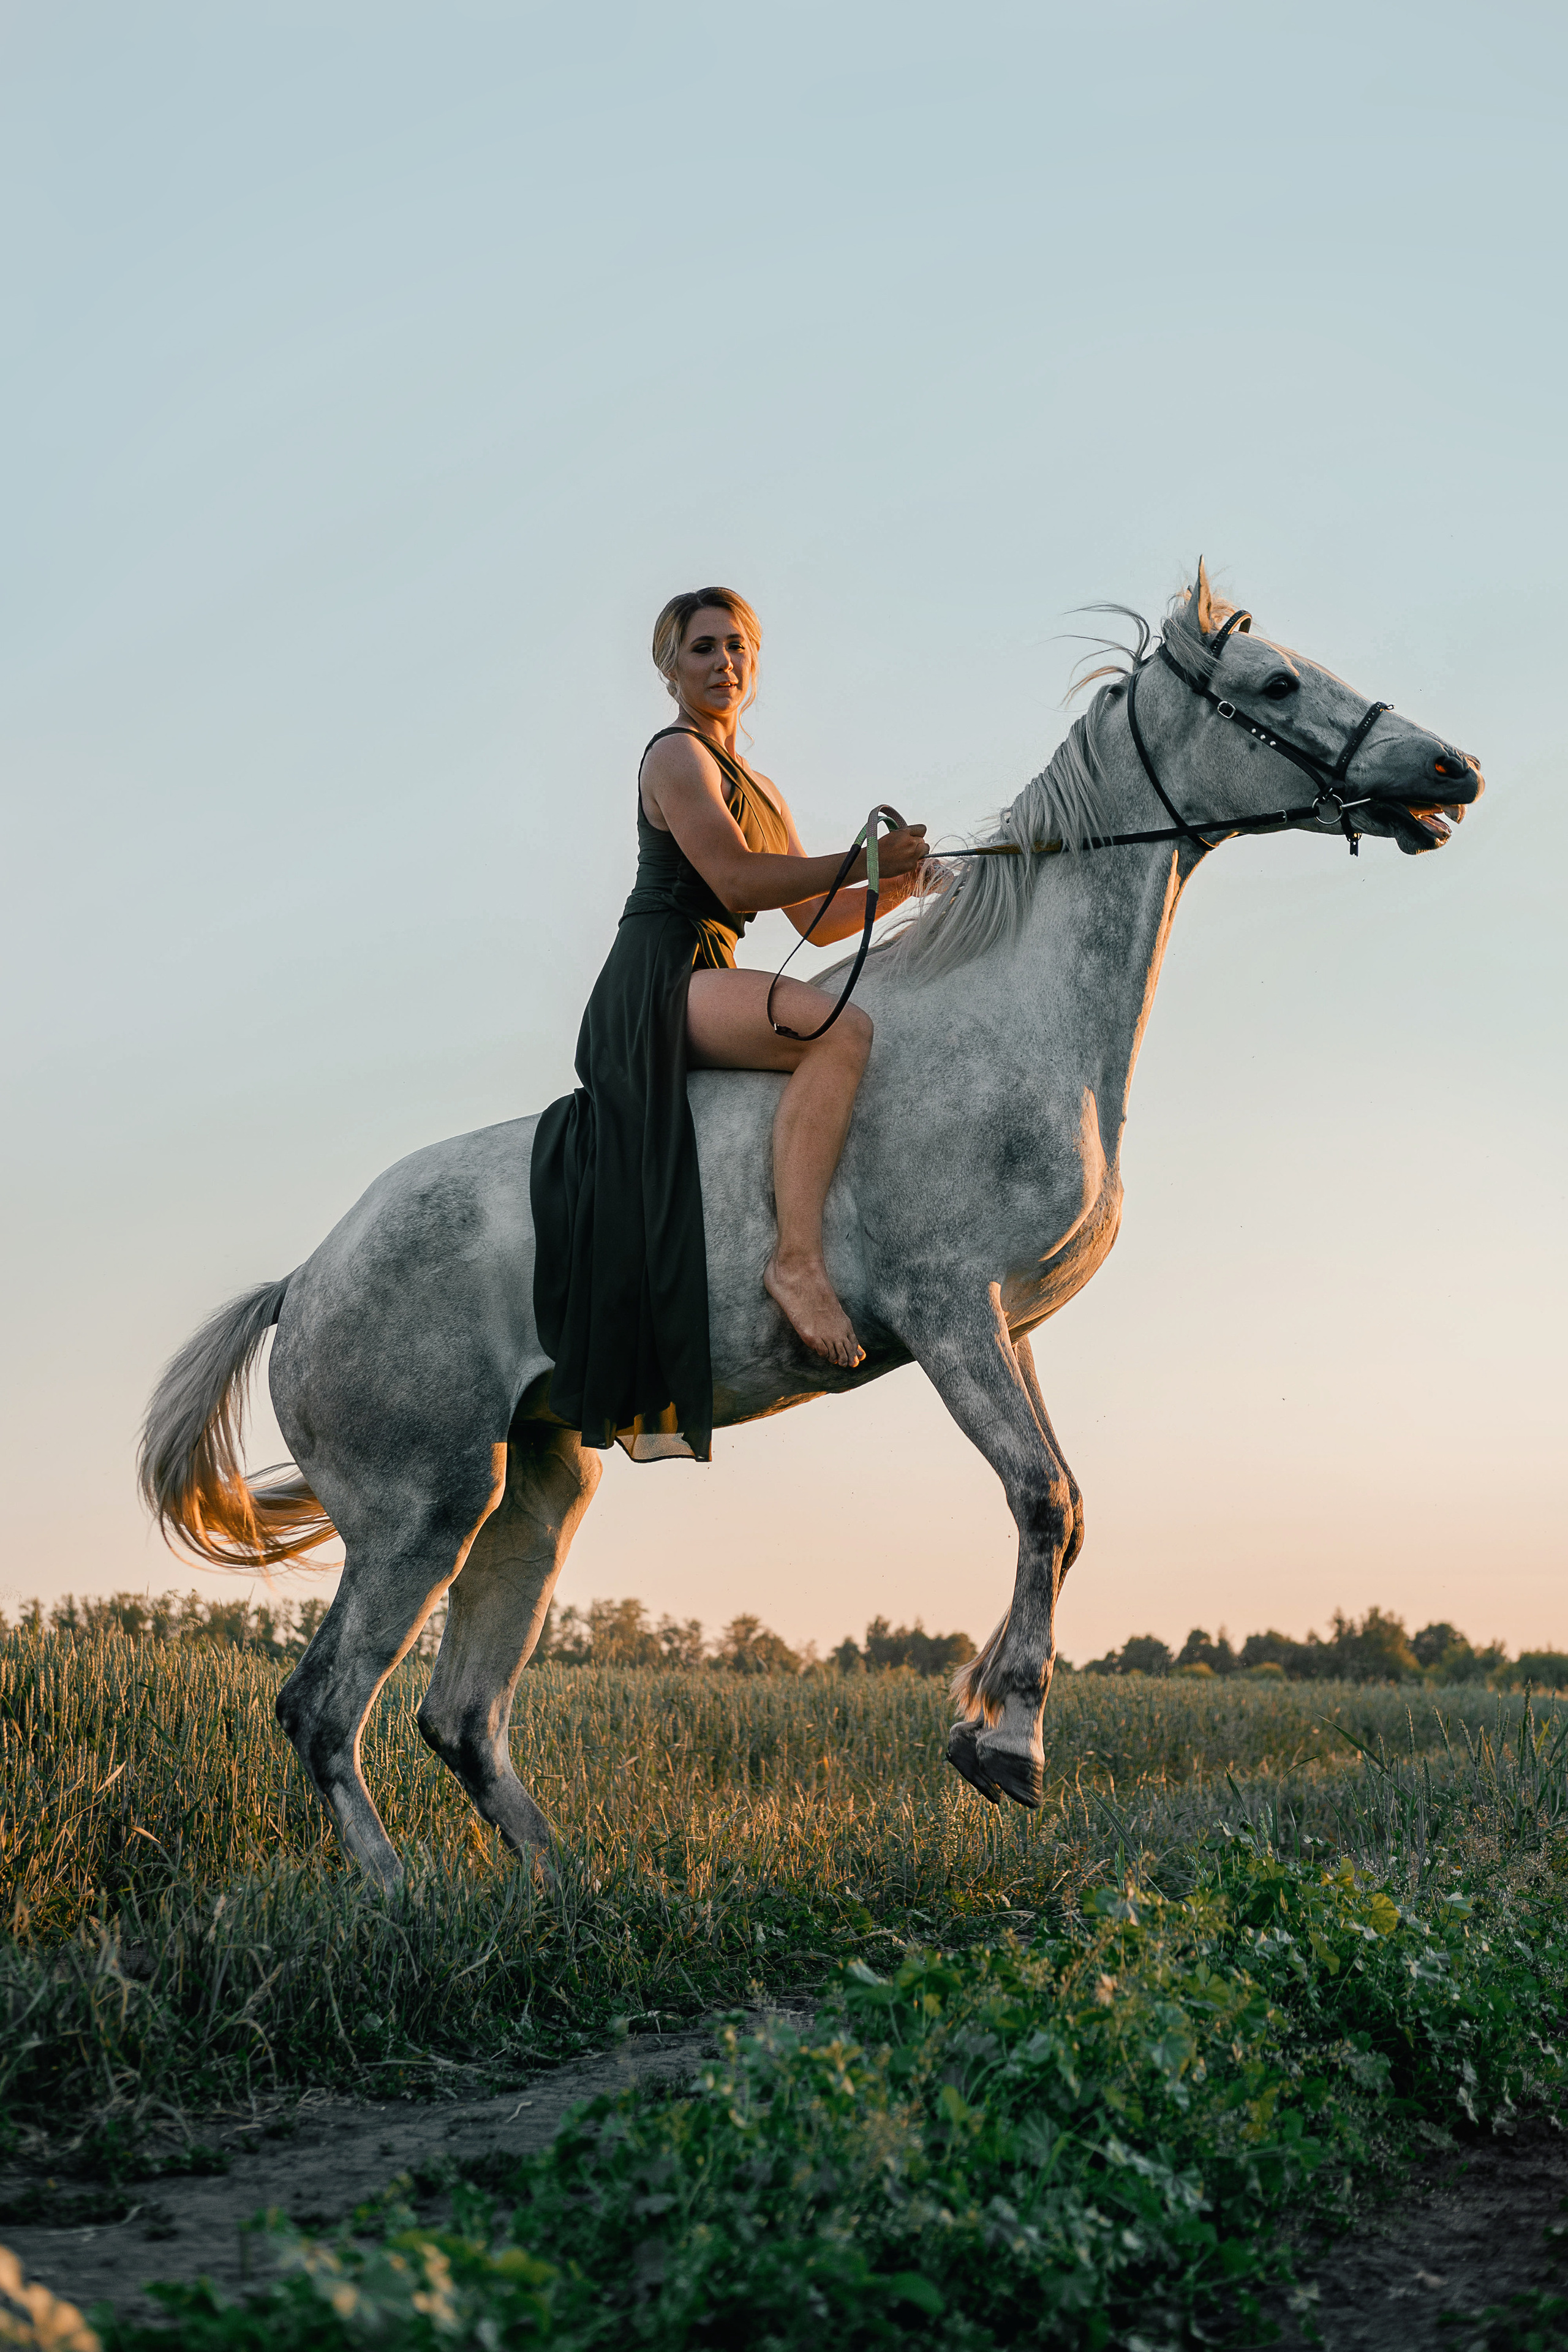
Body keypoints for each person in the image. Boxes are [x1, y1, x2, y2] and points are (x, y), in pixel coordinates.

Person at [530, 586, 929, 1463]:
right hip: (658, 973)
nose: (723, 663)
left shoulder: (761, 786)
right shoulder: (676, 756)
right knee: (842, 1030)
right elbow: (739, 881)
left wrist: (903, 884)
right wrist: (863, 858)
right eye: (703, 648)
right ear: (669, 668)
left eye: (737, 646)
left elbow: (817, 921)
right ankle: (796, 1262)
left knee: (839, 1026)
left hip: (707, 968)